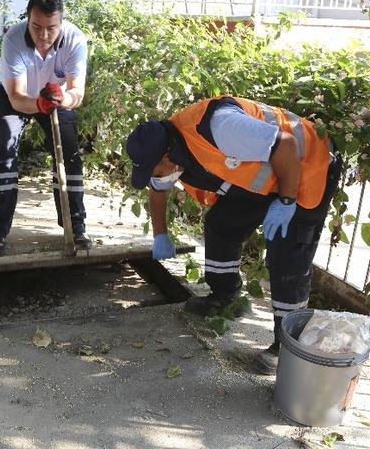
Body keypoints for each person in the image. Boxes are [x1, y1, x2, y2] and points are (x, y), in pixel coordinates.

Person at [126, 96, 341, 374]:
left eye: (155, 170)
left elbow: (286, 144)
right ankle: (225, 295)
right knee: (221, 223)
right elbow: (158, 188)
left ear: (167, 156)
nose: (156, 176)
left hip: (308, 164)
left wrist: (287, 201)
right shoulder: (168, 150)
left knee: (288, 256)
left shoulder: (220, 127)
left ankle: (288, 344)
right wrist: (160, 235)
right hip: (268, 178)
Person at [0, 0, 91, 256]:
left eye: (51, 28)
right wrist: (39, 104)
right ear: (28, 20)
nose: (44, 36)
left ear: (62, 22)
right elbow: (18, 97)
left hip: (57, 97)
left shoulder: (75, 39)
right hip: (16, 97)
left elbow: (77, 93)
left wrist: (62, 98)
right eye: (37, 27)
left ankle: (75, 227)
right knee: (4, 153)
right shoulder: (13, 39)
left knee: (70, 155)